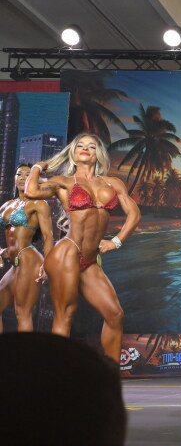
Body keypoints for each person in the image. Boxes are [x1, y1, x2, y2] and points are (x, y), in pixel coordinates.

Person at [24, 134, 141, 360]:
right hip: (67, 253)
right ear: (73, 153)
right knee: (65, 315)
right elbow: (31, 192)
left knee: (115, 314)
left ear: (98, 153)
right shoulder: (63, 182)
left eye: (91, 146)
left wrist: (116, 241)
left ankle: (110, 374)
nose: (85, 148)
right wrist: (37, 167)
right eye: (80, 145)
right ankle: (60, 376)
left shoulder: (113, 183)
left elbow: (134, 214)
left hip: (90, 259)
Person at [0, 164, 54, 331]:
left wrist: (48, 265)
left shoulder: (39, 204)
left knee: (22, 313)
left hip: (29, 260)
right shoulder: (7, 205)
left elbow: (48, 236)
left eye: (28, 174)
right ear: (14, 178)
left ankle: (24, 349)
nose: (23, 178)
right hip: (15, 264)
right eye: (19, 174)